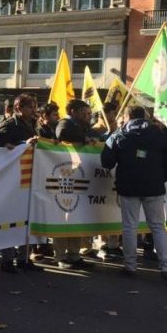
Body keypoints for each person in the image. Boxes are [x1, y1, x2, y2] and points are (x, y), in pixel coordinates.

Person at [101, 105, 167, 280]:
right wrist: (160, 178)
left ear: (127, 116)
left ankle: (130, 267)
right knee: (158, 227)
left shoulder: (119, 135)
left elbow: (106, 161)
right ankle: (166, 268)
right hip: (154, 187)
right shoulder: (159, 134)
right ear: (145, 117)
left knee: (130, 227)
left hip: (128, 187)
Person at [0, 94, 41, 273]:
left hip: (28, 179)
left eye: (34, 107)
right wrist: (22, 144)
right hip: (11, 180)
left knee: (26, 219)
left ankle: (24, 258)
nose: (34, 110)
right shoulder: (9, 125)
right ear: (18, 108)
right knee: (9, 220)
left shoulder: (32, 125)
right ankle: (7, 259)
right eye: (30, 107)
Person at [53, 99, 99, 269]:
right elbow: (62, 133)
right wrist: (83, 138)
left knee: (76, 217)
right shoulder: (65, 123)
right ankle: (60, 255)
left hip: (79, 178)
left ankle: (74, 254)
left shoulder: (83, 127)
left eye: (89, 113)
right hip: (65, 176)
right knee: (63, 216)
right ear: (73, 111)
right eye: (84, 112)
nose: (87, 116)